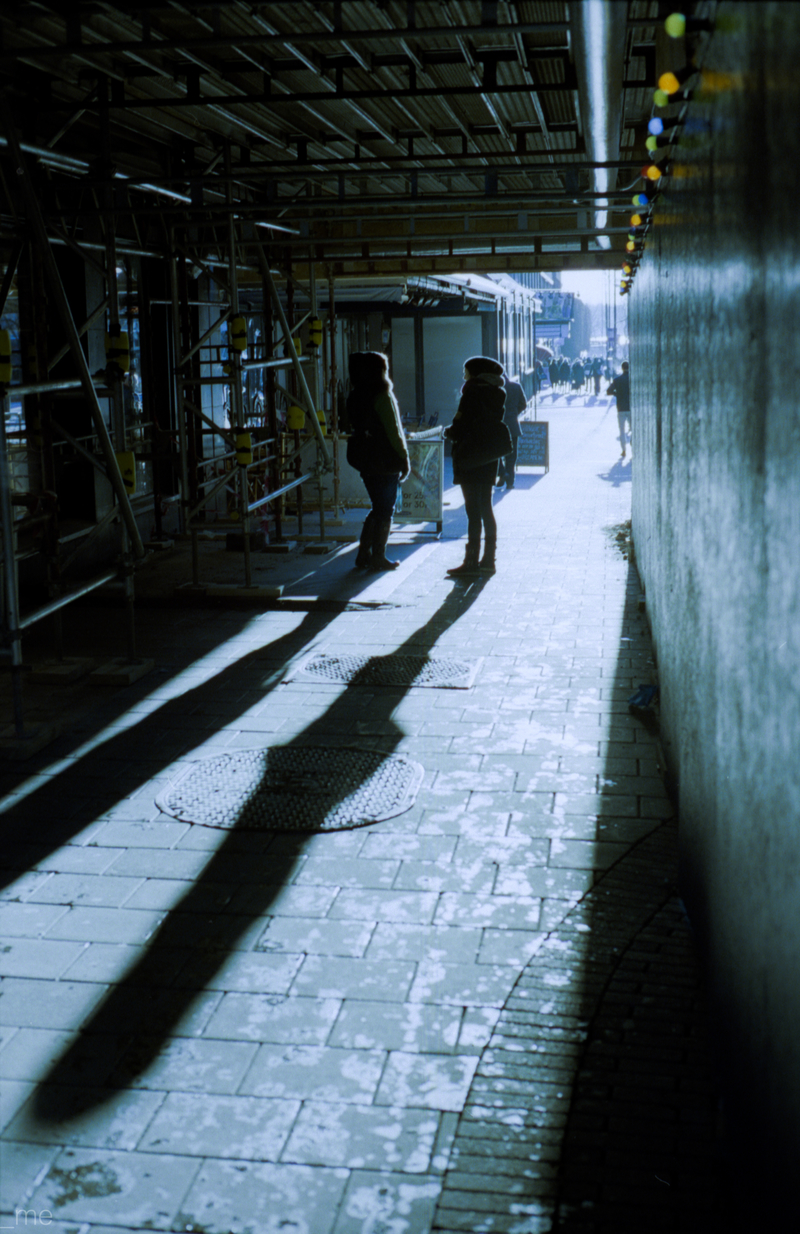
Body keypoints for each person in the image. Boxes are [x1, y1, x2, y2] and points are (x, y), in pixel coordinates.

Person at [345, 351, 410, 570]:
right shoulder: (383, 396)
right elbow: (394, 431)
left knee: (377, 507)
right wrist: (404, 457)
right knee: (385, 510)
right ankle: (378, 557)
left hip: (364, 459)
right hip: (385, 460)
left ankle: (364, 554)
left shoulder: (355, 395)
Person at [444, 356, 507, 577]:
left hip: (470, 456)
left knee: (472, 511)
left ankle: (470, 561)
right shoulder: (498, 393)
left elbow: (461, 425)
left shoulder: (471, 391)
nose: (464, 375)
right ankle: (489, 560)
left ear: (475, 372)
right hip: (489, 457)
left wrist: (449, 432)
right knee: (486, 508)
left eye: (466, 370)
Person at [497, 372, 527, 490]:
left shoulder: (495, 389)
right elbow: (523, 404)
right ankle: (510, 482)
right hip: (513, 425)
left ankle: (502, 472)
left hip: (498, 426)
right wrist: (515, 413)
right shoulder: (516, 386)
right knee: (512, 454)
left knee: (495, 452)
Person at [607, 361, 631, 458]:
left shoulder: (617, 380)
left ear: (622, 368)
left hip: (621, 408)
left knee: (622, 430)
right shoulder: (632, 379)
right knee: (633, 429)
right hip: (631, 407)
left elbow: (609, 391)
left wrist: (617, 394)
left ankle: (623, 450)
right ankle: (633, 445)